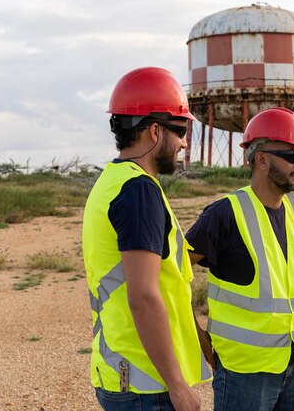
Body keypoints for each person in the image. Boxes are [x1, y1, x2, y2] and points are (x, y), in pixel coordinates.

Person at [82, 67, 211, 411]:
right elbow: (143, 296)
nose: (184, 142)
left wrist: (200, 341)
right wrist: (177, 385)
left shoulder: (113, 181)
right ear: (155, 131)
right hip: (146, 383)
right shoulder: (138, 191)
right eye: (181, 130)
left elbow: (166, 286)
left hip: (126, 371)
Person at [186, 107, 294, 411]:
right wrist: (198, 337)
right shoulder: (223, 214)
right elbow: (171, 275)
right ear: (262, 159)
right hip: (244, 373)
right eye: (292, 155)